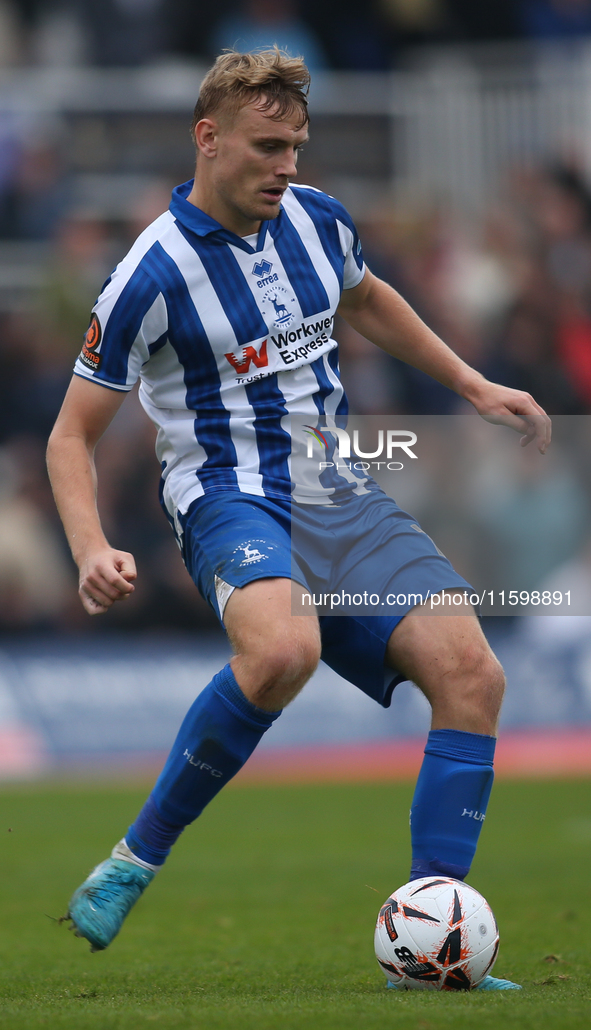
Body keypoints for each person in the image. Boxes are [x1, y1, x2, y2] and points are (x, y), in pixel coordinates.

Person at [46, 47, 551, 990]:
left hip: (338, 490)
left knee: (471, 673)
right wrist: (89, 546)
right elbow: (69, 436)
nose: (286, 165)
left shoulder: (317, 221)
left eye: (296, 145)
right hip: (228, 492)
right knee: (283, 650)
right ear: (208, 138)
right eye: (267, 146)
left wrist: (472, 384)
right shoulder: (148, 274)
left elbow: (365, 297)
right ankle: (133, 859)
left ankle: (430, 944)